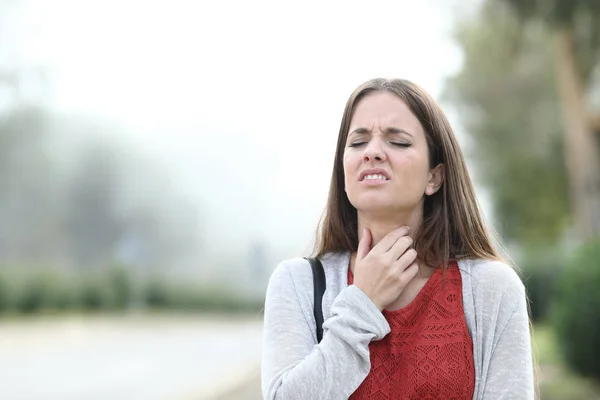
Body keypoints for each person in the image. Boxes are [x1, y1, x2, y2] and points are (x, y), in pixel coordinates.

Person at [261, 78, 534, 400]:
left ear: (434, 176)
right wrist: (362, 303)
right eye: (358, 142)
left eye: (398, 142)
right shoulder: (297, 283)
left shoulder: (491, 288)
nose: (373, 152)